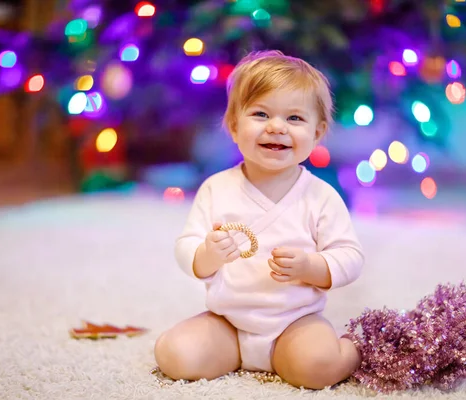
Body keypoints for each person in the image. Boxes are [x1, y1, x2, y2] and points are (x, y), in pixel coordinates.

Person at [154, 50, 365, 390]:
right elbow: (186, 246)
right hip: (228, 323)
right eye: (261, 113)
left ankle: (354, 350)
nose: (276, 127)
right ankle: (234, 354)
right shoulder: (216, 188)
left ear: (318, 132)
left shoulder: (320, 197)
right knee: (174, 354)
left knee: (317, 367)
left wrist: (313, 266)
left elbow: (351, 257)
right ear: (235, 127)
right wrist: (207, 254)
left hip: (295, 322)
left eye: (295, 118)